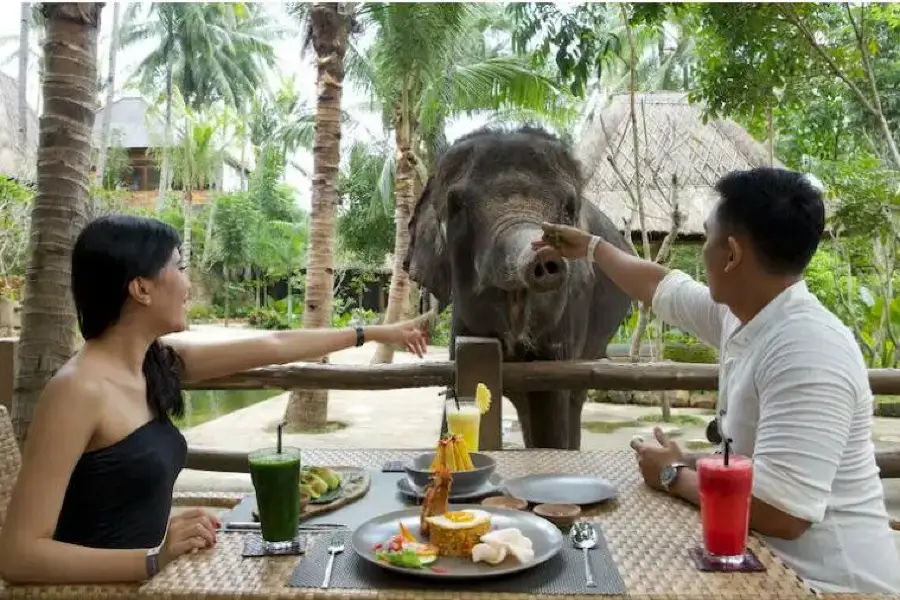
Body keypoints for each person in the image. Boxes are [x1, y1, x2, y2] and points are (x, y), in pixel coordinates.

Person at [0, 214, 432, 584]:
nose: (188, 283)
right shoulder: (77, 390)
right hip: (109, 589)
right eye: (180, 266)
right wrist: (152, 557)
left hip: (163, 578)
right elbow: (19, 556)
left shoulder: (154, 364)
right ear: (141, 289)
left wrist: (372, 333)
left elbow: (275, 344)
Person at [533, 167, 900, 594]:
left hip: (831, 584)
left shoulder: (808, 349)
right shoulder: (747, 314)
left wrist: (673, 475)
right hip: (759, 563)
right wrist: (593, 247)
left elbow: (783, 513)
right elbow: (660, 285)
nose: (702, 250)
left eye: (706, 237)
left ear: (731, 254)